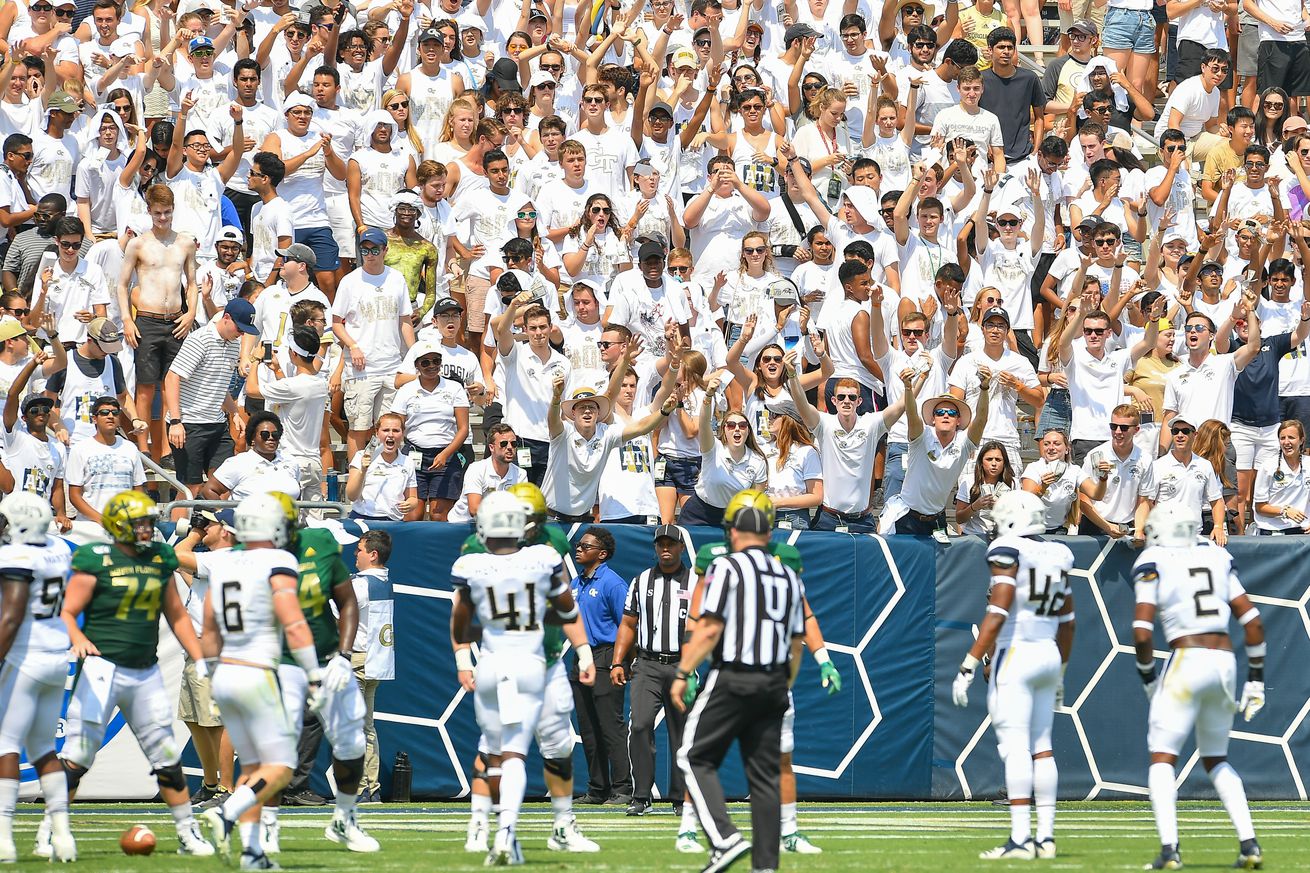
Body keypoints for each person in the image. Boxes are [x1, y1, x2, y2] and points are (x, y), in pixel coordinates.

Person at [55, 491, 213, 857]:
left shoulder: (159, 558)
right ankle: (55, 828)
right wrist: (77, 637)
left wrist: (198, 655)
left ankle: (187, 831)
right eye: (139, 522)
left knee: (166, 756)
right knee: (78, 756)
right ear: (117, 525)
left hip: (144, 672)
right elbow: (68, 610)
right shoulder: (94, 558)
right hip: (101, 668)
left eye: (147, 522)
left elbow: (175, 614)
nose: (146, 529)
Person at [448, 491, 596, 866]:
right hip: (527, 662)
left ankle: (559, 825)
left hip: (526, 660)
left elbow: (462, 619)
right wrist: (465, 656)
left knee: (553, 745)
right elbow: (566, 608)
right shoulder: (541, 559)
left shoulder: (485, 560)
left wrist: (581, 650)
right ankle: (488, 825)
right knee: (500, 749)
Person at [671, 488, 805, 873]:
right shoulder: (788, 575)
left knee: (692, 756)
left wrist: (683, 672)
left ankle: (724, 838)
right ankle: (766, 866)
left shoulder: (725, 567)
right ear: (767, 534)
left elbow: (710, 627)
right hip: (775, 683)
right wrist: (785, 683)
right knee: (764, 777)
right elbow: (796, 643)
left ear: (732, 533)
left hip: (733, 676)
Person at [1131, 503, 1265, 871]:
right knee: (1217, 758)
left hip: (1187, 659)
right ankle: (1249, 843)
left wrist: (1147, 675)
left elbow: (1142, 631)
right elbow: (1252, 622)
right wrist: (1256, 679)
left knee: (1162, 757)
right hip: (1225, 662)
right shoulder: (1216, 556)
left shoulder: (1155, 558)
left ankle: (1170, 850)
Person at [197, 493, 325, 870]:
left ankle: (253, 854)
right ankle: (227, 814)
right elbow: (293, 621)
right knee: (282, 767)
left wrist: (214, 671)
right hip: (257, 671)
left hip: (225, 671)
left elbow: (208, 629)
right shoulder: (278, 559)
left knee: (253, 770)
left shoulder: (222, 562)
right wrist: (314, 675)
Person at [250, 492, 376, 857]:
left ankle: (345, 819)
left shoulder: (318, 543)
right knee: (277, 748)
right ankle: (269, 828)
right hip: (278, 662)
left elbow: (347, 600)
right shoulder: (247, 558)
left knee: (351, 742)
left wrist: (344, 655)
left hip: (324, 657)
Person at [952, 490, 1075, 860]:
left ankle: (1021, 838)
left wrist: (969, 663)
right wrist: (1062, 672)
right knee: (1042, 746)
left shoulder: (1008, 550)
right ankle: (1047, 838)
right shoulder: (1058, 554)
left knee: (1015, 746)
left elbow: (1000, 610)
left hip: (1017, 651)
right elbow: (1068, 623)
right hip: (1049, 651)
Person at [0, 493, 77, 863]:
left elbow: (12, 614)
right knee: (46, 748)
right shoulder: (59, 548)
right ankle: (62, 836)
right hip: (56, 655)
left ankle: (4, 838)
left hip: (25, 656)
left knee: (6, 745)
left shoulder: (17, 556)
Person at [610, 525, 692, 818]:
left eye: (671, 543)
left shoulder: (695, 581)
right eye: (661, 544)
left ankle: (681, 797)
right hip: (647, 664)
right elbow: (628, 624)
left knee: (681, 733)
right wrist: (618, 661)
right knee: (641, 725)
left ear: (682, 547)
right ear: (655, 547)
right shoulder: (641, 580)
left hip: (683, 664)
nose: (666, 548)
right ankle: (641, 795)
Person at [172, 507, 239, 813]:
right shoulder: (217, 563)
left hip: (213, 652)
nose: (204, 528)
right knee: (194, 720)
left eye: (211, 524)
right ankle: (211, 783)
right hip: (199, 650)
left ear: (226, 531)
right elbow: (193, 580)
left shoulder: (222, 558)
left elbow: (176, 555)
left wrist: (194, 533)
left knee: (217, 723)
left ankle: (226, 786)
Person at [164, 298, 257, 494]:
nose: (241, 334)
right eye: (239, 328)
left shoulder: (233, 345)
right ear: (226, 318)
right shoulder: (200, 339)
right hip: (189, 423)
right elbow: (172, 377)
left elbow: (219, 384)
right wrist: (175, 421)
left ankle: (215, 525)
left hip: (216, 423)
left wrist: (235, 413)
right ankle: (177, 524)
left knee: (224, 484)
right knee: (191, 487)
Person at [568, 526, 633, 806]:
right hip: (580, 658)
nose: (579, 549)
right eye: (579, 545)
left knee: (610, 725)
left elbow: (628, 627)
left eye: (586, 546)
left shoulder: (613, 584)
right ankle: (597, 789)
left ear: (602, 554)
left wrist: (621, 662)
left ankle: (623, 788)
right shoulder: (575, 582)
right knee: (588, 727)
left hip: (606, 657)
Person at [350, 530, 394, 805]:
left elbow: (336, 612)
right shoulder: (385, 581)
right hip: (376, 660)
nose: (356, 554)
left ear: (373, 554)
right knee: (366, 727)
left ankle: (360, 789)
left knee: (354, 727)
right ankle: (371, 788)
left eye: (359, 550)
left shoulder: (361, 584)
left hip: (357, 659)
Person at [64, 395, 146, 524]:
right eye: (104, 413)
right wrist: (103, 521)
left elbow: (138, 489)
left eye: (115, 413)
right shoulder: (80, 449)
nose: (110, 416)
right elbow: (74, 495)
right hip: (91, 526)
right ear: (94, 419)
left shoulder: (130, 448)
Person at [200, 412, 303, 503]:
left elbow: (297, 496)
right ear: (253, 438)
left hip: (286, 523)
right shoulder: (238, 463)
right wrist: (225, 515)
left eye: (275, 435)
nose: (271, 438)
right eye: (265, 434)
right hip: (247, 523)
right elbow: (209, 490)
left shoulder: (290, 461)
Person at [1078, 405, 1149, 537]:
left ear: (1136, 430)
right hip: (1095, 525)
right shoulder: (1096, 455)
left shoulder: (1145, 459)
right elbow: (1083, 497)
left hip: (1128, 527)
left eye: (1124, 428)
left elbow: (1143, 500)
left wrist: (1139, 530)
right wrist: (1106, 526)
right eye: (1113, 426)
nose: (1117, 431)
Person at [343, 412, 421, 522]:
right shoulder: (361, 456)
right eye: (385, 430)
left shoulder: (407, 461)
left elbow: (412, 497)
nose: (391, 435)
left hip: (393, 522)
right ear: (377, 432)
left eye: (396, 430)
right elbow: (351, 495)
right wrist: (363, 471)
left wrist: (410, 504)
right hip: (363, 518)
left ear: (402, 434)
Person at [1252, 420, 1310, 534]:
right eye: (1282, 438)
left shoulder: (1308, 464)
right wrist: (1284, 511)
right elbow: (1260, 507)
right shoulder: (1267, 466)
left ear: (1302, 440)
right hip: (1272, 531)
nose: (1286, 442)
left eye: (1291, 437)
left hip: (1302, 530)